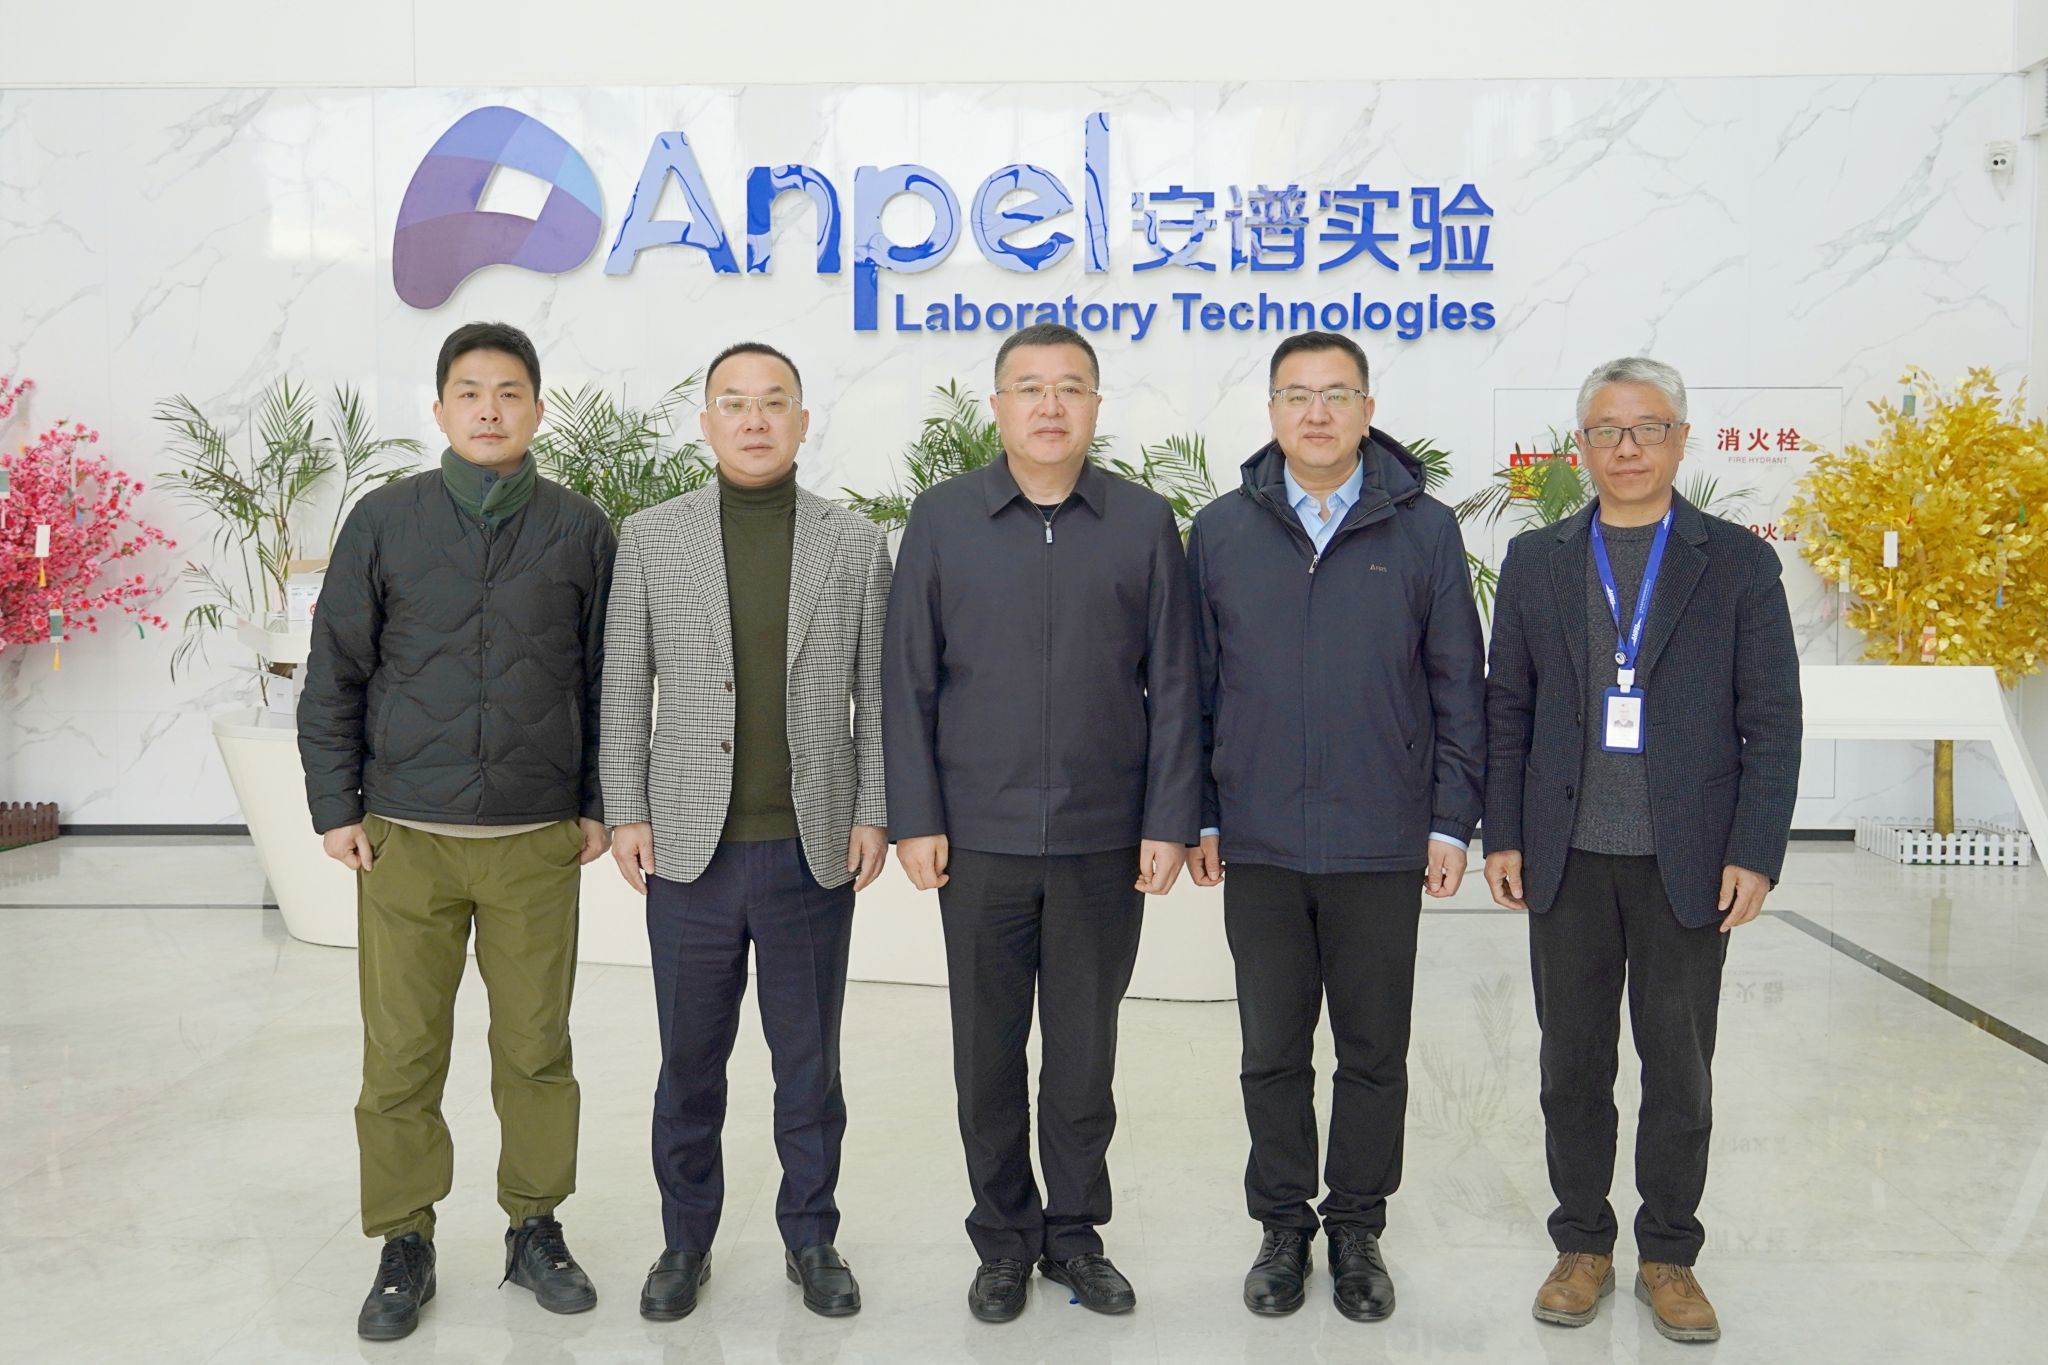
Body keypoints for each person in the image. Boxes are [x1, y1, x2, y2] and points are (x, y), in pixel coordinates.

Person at [298, 321, 617, 1342]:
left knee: (536, 1048)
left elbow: (606, 681)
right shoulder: (384, 520)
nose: (489, 408)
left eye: (509, 391)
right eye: (470, 391)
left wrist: (599, 803)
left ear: (537, 410)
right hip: (406, 836)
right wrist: (335, 806)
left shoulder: (580, 529)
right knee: (400, 1053)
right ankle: (405, 1240)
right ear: (438, 409)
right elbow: (335, 672)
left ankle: (535, 1227)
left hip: (534, 840)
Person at [882, 322, 1200, 1323]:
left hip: (1104, 837)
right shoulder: (943, 518)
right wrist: (915, 816)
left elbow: (1176, 683)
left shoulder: (1142, 521)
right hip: (977, 837)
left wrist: (1168, 818)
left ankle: (1073, 1236)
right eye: (1029, 387)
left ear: (1095, 406)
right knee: (986, 1053)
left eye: (1069, 387)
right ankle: (1002, 1240)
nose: (1049, 405)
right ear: (998, 407)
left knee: (1082, 1055)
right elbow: (906, 679)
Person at [1482, 356, 1801, 1344]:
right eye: (1606, 431)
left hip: (1687, 860)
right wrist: (1504, 832)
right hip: (1565, 855)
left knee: (1678, 1066)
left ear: (1679, 439)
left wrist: (1753, 848)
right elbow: (1507, 709)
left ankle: (1668, 1254)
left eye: (1647, 427)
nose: (1627, 448)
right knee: (1571, 1064)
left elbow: (1772, 718)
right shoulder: (1536, 561)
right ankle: (1581, 1243)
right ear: (1580, 447)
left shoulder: (1735, 563)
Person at [1185, 330, 1485, 1322]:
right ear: (1271, 411)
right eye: (1296, 395)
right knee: (1270, 1050)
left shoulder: (1424, 530)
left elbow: (1457, 684)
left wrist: (1450, 821)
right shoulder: (1220, 531)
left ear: (1366, 410)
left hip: (1379, 838)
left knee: (1372, 1051)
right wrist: (1201, 812)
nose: (1316, 413)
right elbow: (1195, 686)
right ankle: (1282, 1225)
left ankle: (1356, 1226)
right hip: (1260, 838)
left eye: (1336, 394)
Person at [600, 342, 890, 1322]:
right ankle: (684, 1242)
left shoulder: (854, 543)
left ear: (802, 421)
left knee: (808, 1068)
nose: (755, 419)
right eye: (734, 403)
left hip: (811, 845)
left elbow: (877, 697)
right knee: (689, 1064)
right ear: (707, 422)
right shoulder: (651, 537)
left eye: (774, 403)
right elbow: (622, 685)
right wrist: (627, 806)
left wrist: (873, 808)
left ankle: (812, 1237)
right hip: (690, 849)